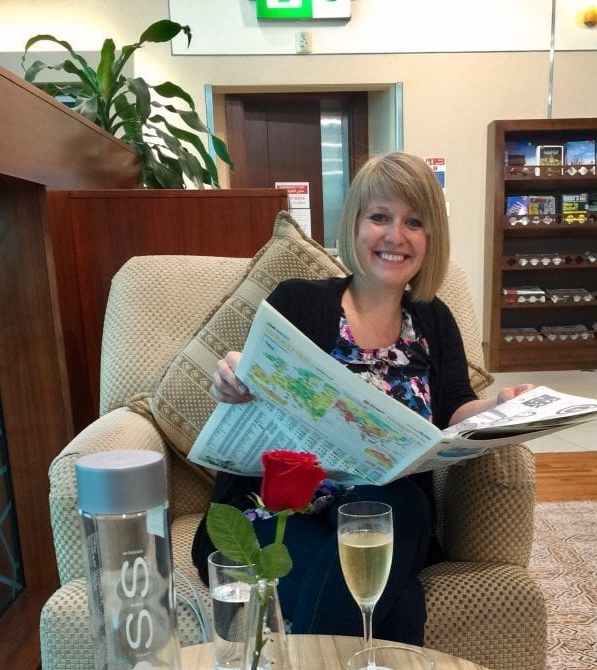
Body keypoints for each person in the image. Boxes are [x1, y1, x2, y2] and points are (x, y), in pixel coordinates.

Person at [192, 151, 532, 645]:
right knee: (400, 599)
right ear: (354, 226)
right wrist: (232, 380)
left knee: (399, 508)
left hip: (380, 504)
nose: (395, 236)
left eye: (413, 221)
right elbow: (249, 375)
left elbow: (456, 405)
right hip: (277, 509)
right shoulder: (297, 301)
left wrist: (499, 407)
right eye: (379, 217)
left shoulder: (434, 318)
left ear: (430, 237)